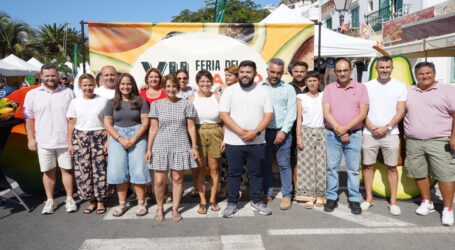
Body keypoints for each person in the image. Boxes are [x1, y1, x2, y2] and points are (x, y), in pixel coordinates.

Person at [220, 60, 273, 218]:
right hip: (234, 141)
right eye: (242, 72)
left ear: (255, 74)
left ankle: (257, 201)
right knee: (234, 174)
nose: (245, 75)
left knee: (256, 173)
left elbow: (268, 115)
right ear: (239, 74)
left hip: (257, 141)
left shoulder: (264, 91)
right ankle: (232, 203)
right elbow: (223, 114)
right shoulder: (229, 91)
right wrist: (241, 132)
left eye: (248, 72)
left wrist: (255, 132)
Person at [404, 62, 455, 226]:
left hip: (439, 140)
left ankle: (447, 209)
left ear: (434, 73)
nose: (425, 76)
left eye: (428, 73)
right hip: (413, 141)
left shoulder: (447, 90)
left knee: (445, 175)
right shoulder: (408, 91)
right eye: (421, 74)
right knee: (419, 172)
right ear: (415, 75)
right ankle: (427, 201)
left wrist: (454, 137)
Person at [23, 64, 77, 214]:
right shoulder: (32, 94)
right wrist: (30, 138)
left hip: (65, 141)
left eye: (53, 75)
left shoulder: (68, 93)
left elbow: (74, 117)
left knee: (66, 170)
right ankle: (50, 200)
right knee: (48, 172)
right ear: (41, 76)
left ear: (58, 76)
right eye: (47, 76)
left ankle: (69, 199)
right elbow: (28, 119)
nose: (50, 78)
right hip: (44, 141)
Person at [145, 74, 199, 222]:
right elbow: (153, 129)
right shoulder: (156, 104)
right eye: (168, 86)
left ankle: (175, 208)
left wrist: (194, 147)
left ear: (178, 87)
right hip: (160, 146)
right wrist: (149, 149)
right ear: (163, 87)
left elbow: (191, 126)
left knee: (177, 178)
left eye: (174, 86)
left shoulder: (186, 104)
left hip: (180, 145)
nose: (171, 89)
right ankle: (160, 207)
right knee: (159, 181)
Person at [361, 56, 407, 216]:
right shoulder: (366, 86)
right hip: (369, 133)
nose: (385, 70)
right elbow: (362, 111)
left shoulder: (400, 87)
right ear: (376, 68)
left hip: (391, 133)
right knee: (367, 166)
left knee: (392, 168)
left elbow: (401, 110)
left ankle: (393, 202)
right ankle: (368, 198)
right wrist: (373, 127)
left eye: (388, 67)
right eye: (382, 67)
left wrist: (387, 127)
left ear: (392, 68)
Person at [322, 57, 369, 215]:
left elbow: (362, 113)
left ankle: (355, 199)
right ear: (334, 72)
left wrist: (345, 129)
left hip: (354, 135)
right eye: (339, 71)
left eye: (345, 70)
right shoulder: (329, 88)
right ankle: (331, 196)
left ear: (350, 71)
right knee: (332, 168)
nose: (342, 73)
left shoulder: (361, 88)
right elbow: (326, 112)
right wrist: (339, 129)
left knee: (354, 169)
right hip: (332, 135)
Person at [104, 73, 150, 217]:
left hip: (137, 135)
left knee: (138, 170)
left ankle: (141, 203)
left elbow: (145, 122)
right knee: (118, 171)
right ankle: (122, 204)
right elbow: (107, 123)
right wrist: (120, 138)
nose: (126, 86)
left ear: (133, 85)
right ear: (118, 85)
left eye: (128, 84)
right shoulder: (111, 103)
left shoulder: (141, 101)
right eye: (123, 84)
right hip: (117, 137)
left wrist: (134, 139)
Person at [67, 73, 111, 214]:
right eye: (85, 85)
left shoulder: (103, 101)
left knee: (100, 170)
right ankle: (91, 200)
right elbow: (71, 123)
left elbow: (108, 122)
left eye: (90, 85)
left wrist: (108, 140)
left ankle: (100, 200)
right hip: (81, 138)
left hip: (100, 136)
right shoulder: (75, 102)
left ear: (95, 85)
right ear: (80, 87)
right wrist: (70, 143)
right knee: (84, 171)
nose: (88, 87)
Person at [261, 58, 296, 210]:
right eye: (273, 72)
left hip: (283, 132)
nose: (275, 75)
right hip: (263, 132)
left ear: (283, 73)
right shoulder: (259, 88)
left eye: (279, 73)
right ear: (267, 71)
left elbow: (291, 112)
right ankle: (267, 192)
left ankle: (287, 195)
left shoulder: (288, 89)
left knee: (284, 164)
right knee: (266, 164)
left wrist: (283, 131)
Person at [188, 70, 222, 214]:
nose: (205, 84)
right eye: (202, 81)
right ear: (197, 83)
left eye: (208, 81)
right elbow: (188, 122)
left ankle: (213, 199)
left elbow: (225, 120)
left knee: (214, 169)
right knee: (201, 169)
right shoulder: (191, 98)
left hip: (216, 132)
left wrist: (224, 139)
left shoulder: (218, 97)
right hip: (198, 132)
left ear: (211, 82)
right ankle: (203, 200)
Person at [295, 71, 326, 208]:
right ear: (306, 83)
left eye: (314, 80)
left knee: (321, 164)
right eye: (309, 81)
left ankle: (320, 195)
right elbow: (299, 119)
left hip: (322, 131)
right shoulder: (301, 97)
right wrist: (298, 137)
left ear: (319, 81)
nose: (312, 83)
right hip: (306, 132)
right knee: (306, 165)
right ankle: (308, 196)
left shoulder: (324, 96)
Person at [217, 66, 249, 198]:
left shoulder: (244, 90)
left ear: (237, 77)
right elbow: (221, 111)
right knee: (225, 161)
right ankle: (224, 187)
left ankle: (240, 187)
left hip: (241, 128)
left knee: (242, 161)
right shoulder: (219, 90)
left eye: (230, 75)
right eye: (226, 75)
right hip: (224, 128)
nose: (227, 77)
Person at [175, 68, 199, 197]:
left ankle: (195, 186)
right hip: (178, 131)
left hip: (191, 128)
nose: (182, 80)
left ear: (188, 78)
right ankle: (180, 186)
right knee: (178, 161)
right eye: (179, 78)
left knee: (194, 160)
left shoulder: (195, 91)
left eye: (184, 78)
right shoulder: (171, 91)